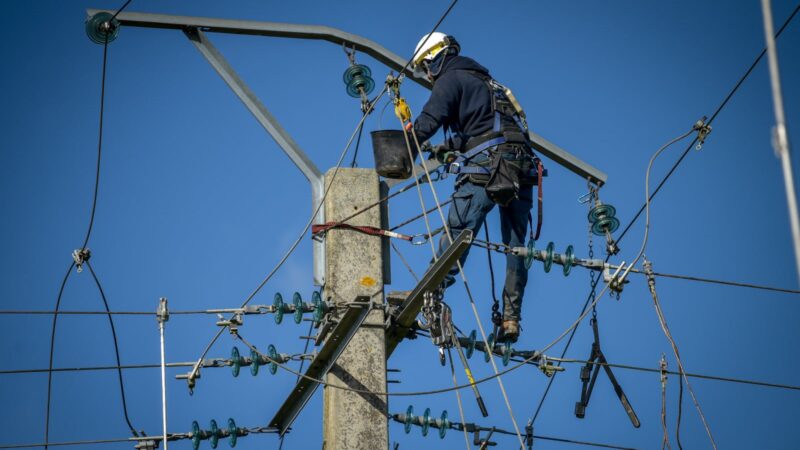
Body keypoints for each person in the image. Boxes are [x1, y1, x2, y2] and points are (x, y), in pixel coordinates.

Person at [407, 32, 543, 343]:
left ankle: (431, 295)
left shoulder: (450, 79)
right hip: (521, 166)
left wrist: (404, 147)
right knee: (516, 246)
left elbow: (428, 121)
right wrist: (450, 146)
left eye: (425, 68)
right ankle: (511, 318)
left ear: (434, 58)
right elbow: (487, 126)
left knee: (458, 233)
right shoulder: (490, 84)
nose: (427, 76)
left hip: (488, 167)